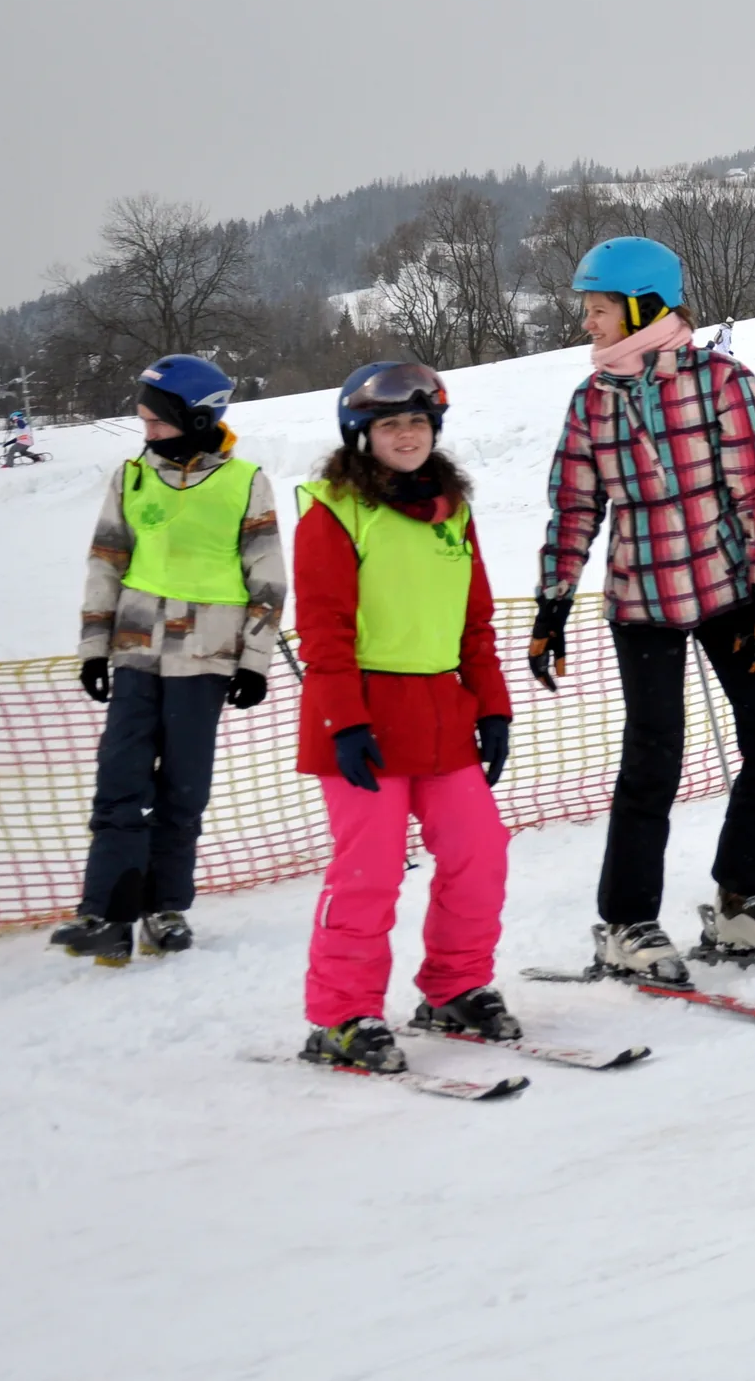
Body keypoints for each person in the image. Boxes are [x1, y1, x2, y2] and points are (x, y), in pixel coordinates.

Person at [531, 235, 755, 984]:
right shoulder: (592, 400)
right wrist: (552, 602)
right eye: (586, 310)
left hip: (730, 590)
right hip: (642, 598)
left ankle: (744, 899)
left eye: (597, 310)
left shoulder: (720, 379)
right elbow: (574, 504)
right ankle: (627, 923)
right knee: (653, 761)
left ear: (642, 306)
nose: (587, 323)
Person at [293, 363, 516, 1075]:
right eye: (390, 424)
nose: (407, 434)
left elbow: (475, 622)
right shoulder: (334, 509)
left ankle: (454, 987)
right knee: (370, 872)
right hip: (363, 716)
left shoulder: (454, 510)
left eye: (418, 422)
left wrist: (494, 709)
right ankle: (342, 1016)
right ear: (362, 435)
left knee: (480, 852)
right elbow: (323, 629)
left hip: (443, 713)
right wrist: (344, 722)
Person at [50, 356, 283, 964]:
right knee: (119, 781)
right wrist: (94, 648)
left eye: (155, 420)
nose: (144, 428)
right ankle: (106, 912)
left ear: (194, 416)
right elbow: (106, 565)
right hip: (135, 654)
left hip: (204, 659)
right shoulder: (131, 478)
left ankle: (164, 907)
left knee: (183, 788)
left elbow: (268, 578)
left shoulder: (245, 482)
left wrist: (254, 660)